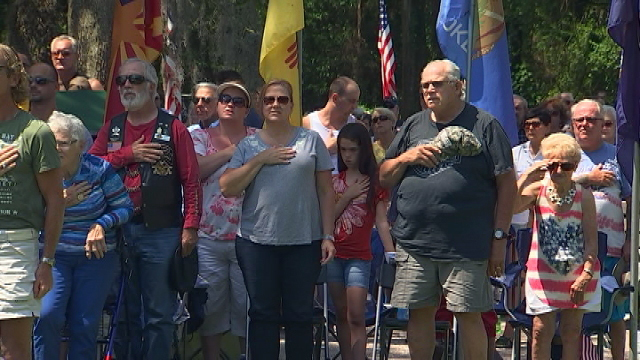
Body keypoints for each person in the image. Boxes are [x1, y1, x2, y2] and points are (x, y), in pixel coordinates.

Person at [379, 59, 516, 359]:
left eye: (436, 84)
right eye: (425, 85)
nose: (429, 90)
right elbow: (384, 175)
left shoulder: (485, 125)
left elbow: (507, 185)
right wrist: (406, 158)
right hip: (415, 241)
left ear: (458, 86)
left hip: (466, 244)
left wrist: (498, 239)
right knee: (419, 313)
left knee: (468, 314)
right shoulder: (414, 125)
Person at [89, 57, 201, 360]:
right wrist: (129, 154)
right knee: (123, 313)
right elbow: (87, 169)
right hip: (117, 230)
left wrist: (190, 227)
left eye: (134, 80)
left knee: (158, 314)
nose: (126, 85)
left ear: (152, 86)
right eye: (121, 81)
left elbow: (192, 181)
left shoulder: (174, 128)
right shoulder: (111, 129)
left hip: (161, 231)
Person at [219, 79, 336, 359]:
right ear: (260, 106)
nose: (275, 104)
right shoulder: (248, 145)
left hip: (304, 241)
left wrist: (328, 235)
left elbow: (325, 190)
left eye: (282, 99)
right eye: (269, 99)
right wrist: (261, 159)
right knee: (262, 314)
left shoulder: (311, 141)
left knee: (300, 314)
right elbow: (227, 186)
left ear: (292, 105)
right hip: (256, 243)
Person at [32, 113, 133, 360]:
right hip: (53, 257)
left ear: (80, 145)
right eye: (51, 142)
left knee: (85, 323)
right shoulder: (38, 171)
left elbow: (125, 207)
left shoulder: (99, 170)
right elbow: (28, 214)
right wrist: (61, 202)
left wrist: (101, 223)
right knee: (47, 316)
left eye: (63, 143)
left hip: (95, 257)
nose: (56, 148)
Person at [0, 43, 65, 360]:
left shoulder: (35, 132)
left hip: (15, 246)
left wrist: (47, 262)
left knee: (13, 352)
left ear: (13, 78)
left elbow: (55, 200)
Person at [513, 133, 600, 359]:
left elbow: (592, 240)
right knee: (541, 331)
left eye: (566, 166)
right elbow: (510, 207)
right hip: (542, 272)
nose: (559, 171)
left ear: (575, 167)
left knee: (571, 332)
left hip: (579, 273)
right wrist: (529, 174)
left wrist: (586, 275)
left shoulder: (584, 196)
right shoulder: (537, 190)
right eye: (553, 165)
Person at [191, 82, 257, 360]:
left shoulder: (258, 139)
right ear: (217, 105)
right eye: (225, 98)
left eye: (238, 101)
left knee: (248, 307)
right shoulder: (200, 137)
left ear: (247, 110)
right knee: (211, 308)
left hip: (249, 236)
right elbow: (194, 172)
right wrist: (230, 152)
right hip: (208, 236)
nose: (230, 104)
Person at [329, 123, 394, 360]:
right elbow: (327, 218)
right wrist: (346, 196)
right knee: (340, 312)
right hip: (334, 254)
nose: (347, 155)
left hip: (359, 256)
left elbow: (382, 221)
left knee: (356, 314)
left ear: (363, 150)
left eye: (353, 150)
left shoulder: (374, 183)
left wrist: (390, 251)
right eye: (343, 149)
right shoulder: (334, 182)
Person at [571, 99, 630, 360]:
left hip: (613, 248)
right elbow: (547, 184)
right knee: (575, 311)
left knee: (615, 309)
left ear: (602, 124)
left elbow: (635, 199)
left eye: (591, 120)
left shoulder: (619, 155)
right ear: (572, 125)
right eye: (579, 120)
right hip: (570, 248)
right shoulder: (564, 153)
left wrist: (631, 239)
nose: (585, 125)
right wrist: (587, 179)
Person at [27, 62, 93, 151]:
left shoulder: (73, 127)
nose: (33, 85)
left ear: (56, 87)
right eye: (29, 81)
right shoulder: (16, 123)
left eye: (40, 81)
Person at [303, 76, 360, 173]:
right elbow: (299, 163)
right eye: (351, 101)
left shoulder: (357, 126)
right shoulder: (307, 123)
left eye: (356, 102)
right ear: (335, 98)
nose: (355, 107)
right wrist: (326, 149)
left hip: (350, 186)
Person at [510, 108, 553, 230]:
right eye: (527, 125)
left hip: (546, 215)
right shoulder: (515, 153)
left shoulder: (554, 153)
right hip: (518, 217)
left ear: (547, 127)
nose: (530, 128)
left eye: (535, 124)